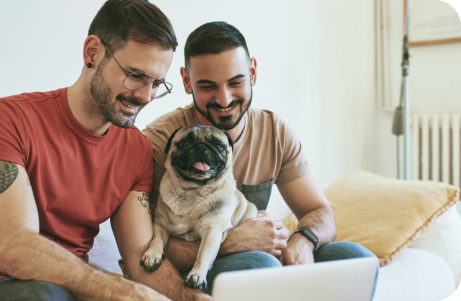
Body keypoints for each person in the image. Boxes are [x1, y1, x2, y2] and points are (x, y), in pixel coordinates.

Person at [0, 1, 210, 300]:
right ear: (92, 52)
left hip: (71, 292)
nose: (145, 96)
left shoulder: (136, 148)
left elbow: (140, 259)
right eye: (135, 75)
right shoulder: (8, 116)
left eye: (157, 83)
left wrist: (193, 299)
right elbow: (15, 248)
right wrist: (119, 289)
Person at [142, 21, 379, 295]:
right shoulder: (160, 142)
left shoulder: (274, 131)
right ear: (186, 81)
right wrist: (233, 242)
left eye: (236, 82)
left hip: (263, 250)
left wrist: (303, 241)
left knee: (356, 258)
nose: (224, 99)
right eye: (208, 86)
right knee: (262, 264)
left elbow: (319, 211)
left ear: (253, 72)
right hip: (203, 264)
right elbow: (143, 243)